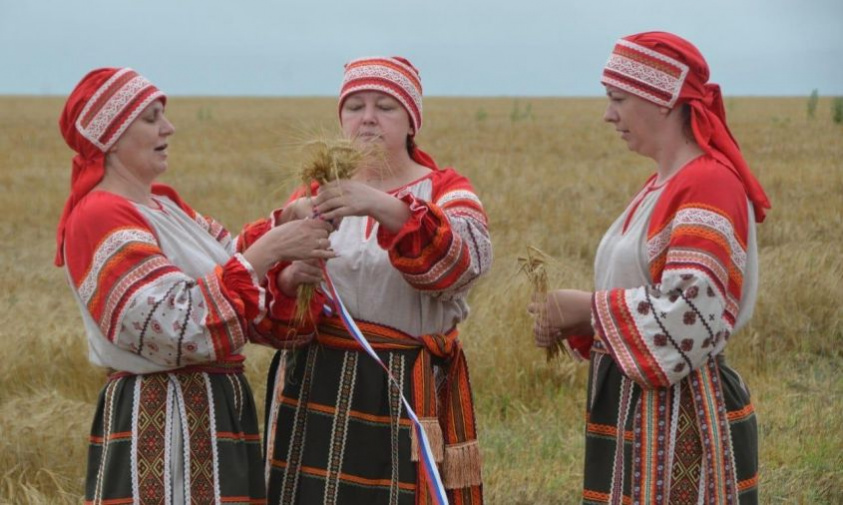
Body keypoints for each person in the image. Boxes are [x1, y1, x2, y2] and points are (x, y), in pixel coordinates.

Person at [56, 67, 335, 503]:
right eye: (150, 118)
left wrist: (285, 265)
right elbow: (173, 326)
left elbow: (229, 265)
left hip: (215, 409)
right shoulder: (99, 216)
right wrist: (270, 250)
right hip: (160, 417)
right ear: (110, 136)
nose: (169, 127)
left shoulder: (164, 205)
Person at [528, 32, 770, 504]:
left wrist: (587, 310)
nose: (608, 114)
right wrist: (574, 323)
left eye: (618, 99)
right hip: (637, 406)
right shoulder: (662, 184)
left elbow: (692, 318)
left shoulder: (709, 184)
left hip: (682, 418)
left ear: (663, 99)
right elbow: (646, 292)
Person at [258, 56, 492, 504]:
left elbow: (462, 268)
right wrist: (290, 279)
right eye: (354, 106)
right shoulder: (314, 196)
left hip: (408, 383)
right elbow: (270, 303)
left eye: (385, 106)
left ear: (410, 122)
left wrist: (380, 205)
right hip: (318, 381)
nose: (367, 118)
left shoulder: (446, 189)